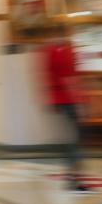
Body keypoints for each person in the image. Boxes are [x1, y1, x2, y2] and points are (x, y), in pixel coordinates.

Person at [41, 25, 93, 194]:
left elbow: (51, 76)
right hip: (68, 100)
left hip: (64, 100)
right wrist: (80, 100)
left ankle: (74, 177)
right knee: (74, 140)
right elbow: (70, 76)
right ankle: (74, 179)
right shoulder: (60, 51)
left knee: (73, 140)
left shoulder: (53, 51)